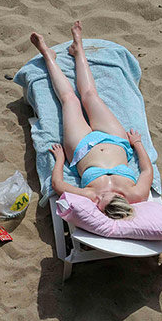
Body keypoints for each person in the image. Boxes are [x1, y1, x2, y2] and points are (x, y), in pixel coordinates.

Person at [30, 21, 153, 219]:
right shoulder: (137, 194)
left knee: (69, 99)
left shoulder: (91, 196)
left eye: (99, 204)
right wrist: (138, 144)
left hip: (80, 148)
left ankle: (48, 56)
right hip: (115, 140)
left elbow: (58, 185)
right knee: (90, 95)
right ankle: (78, 50)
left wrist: (61, 159)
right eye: (105, 199)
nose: (99, 199)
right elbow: (147, 170)